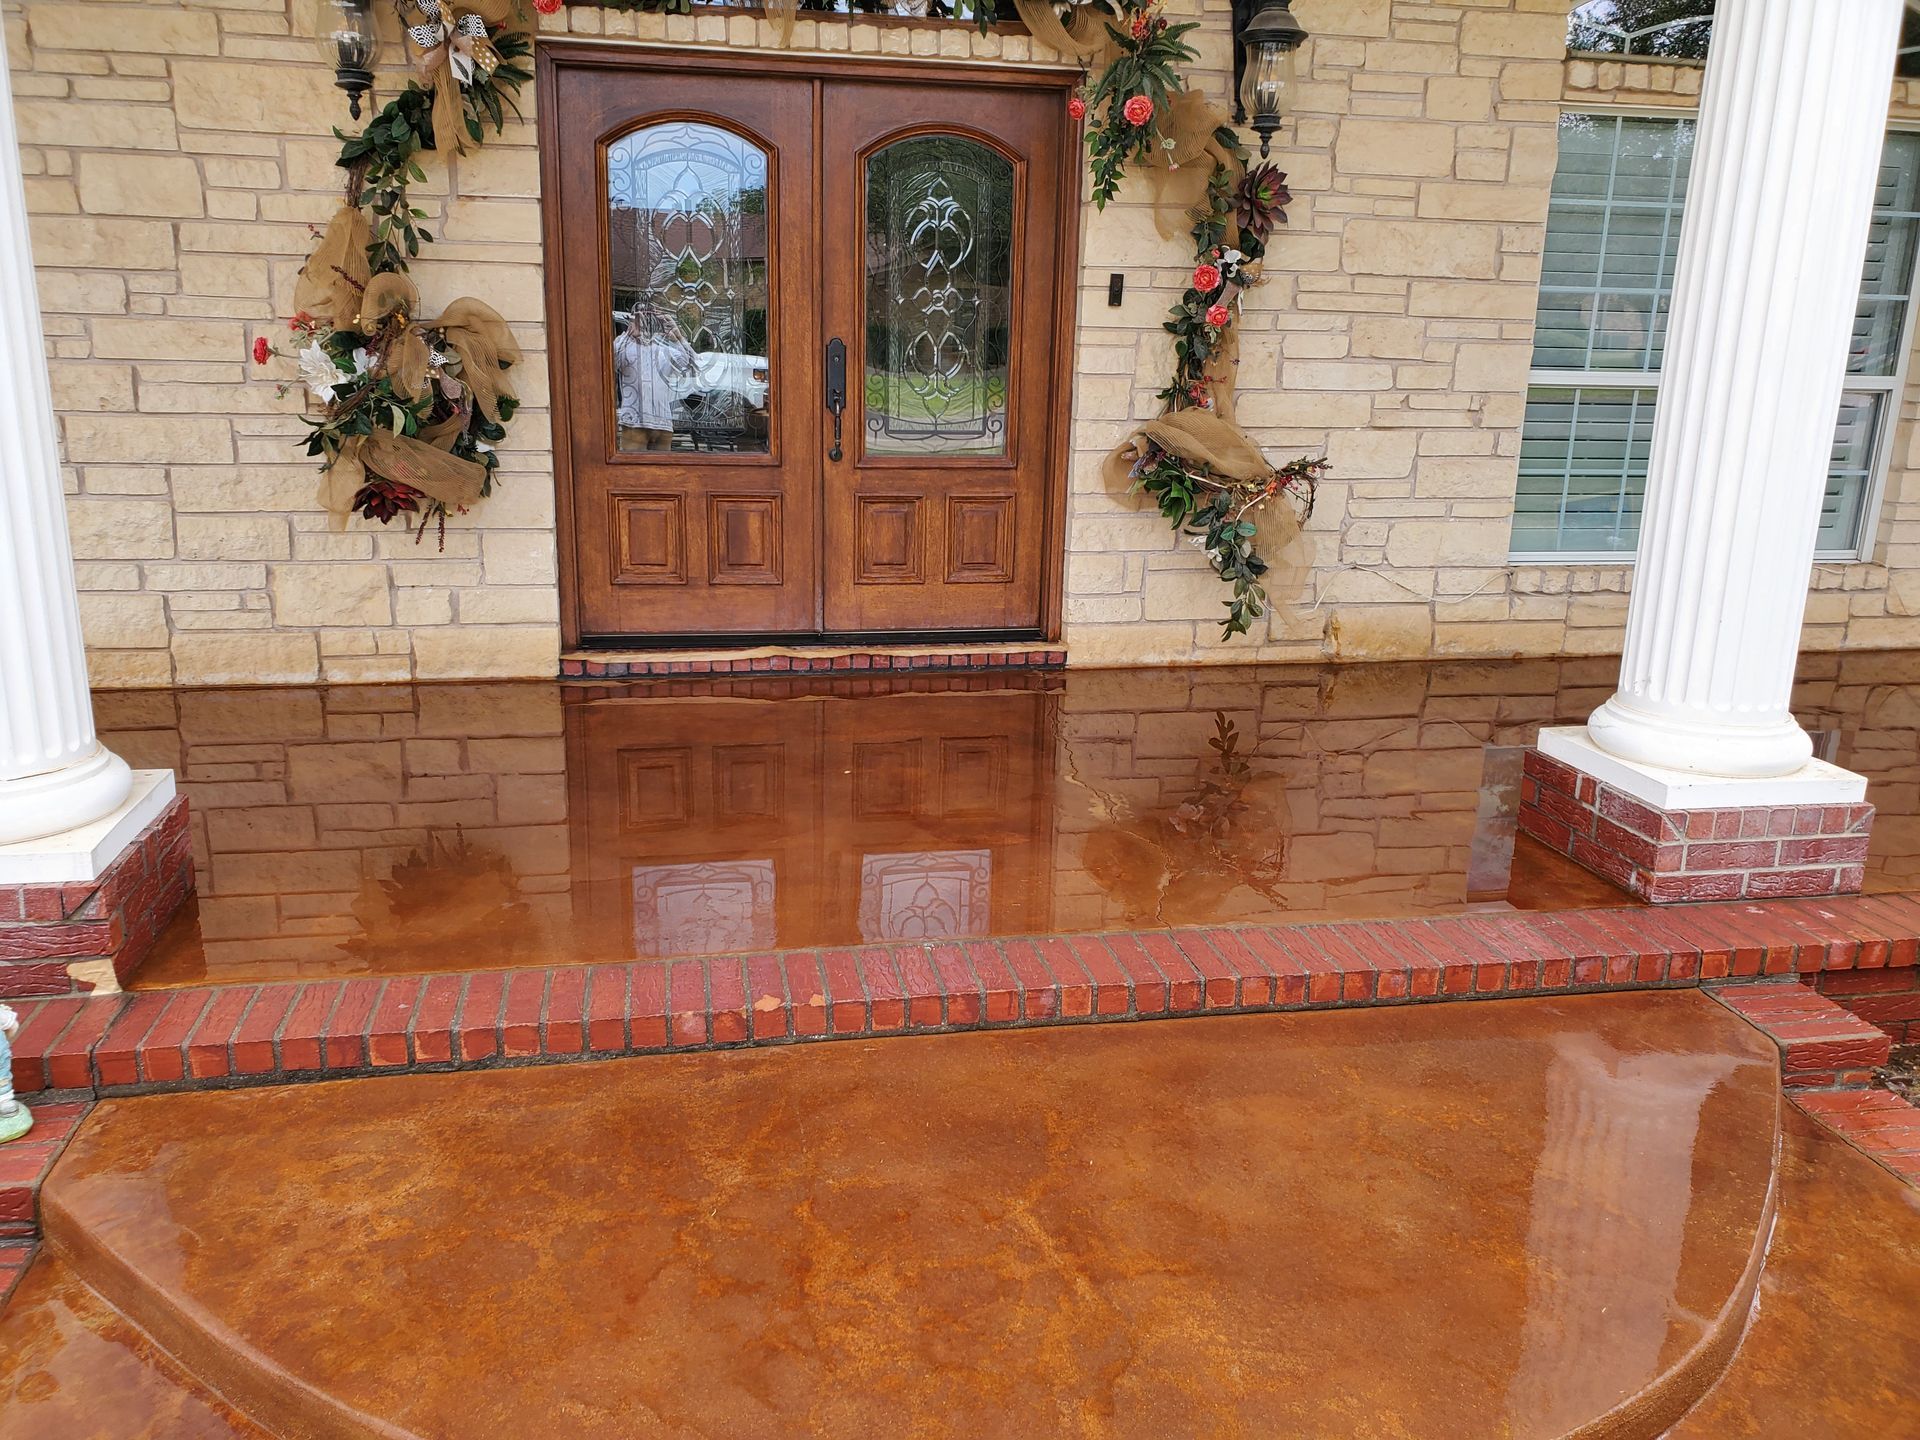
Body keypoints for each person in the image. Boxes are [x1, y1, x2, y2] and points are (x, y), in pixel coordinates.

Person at [614, 309, 693, 452]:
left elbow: (690, 364)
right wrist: (629, 333)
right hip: (635, 424)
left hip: (663, 424)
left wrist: (677, 337)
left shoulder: (664, 349)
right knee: (633, 466)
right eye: (642, 317)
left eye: (650, 317)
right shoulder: (625, 344)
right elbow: (610, 363)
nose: (646, 322)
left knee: (662, 467)